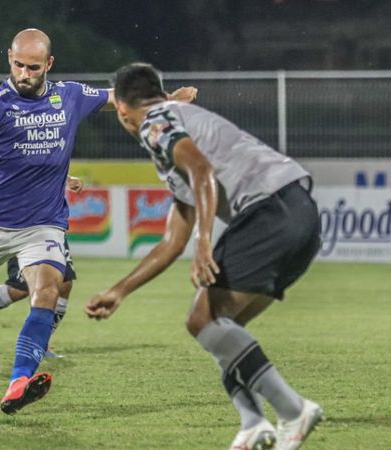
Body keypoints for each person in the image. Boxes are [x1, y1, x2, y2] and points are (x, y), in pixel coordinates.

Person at [0, 29, 198, 415]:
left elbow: (121, 100)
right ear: (9, 60)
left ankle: (18, 383)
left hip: (43, 225)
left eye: (33, 67)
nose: (24, 73)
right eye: (18, 65)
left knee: (48, 290)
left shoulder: (69, 96)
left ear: (48, 64)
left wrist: (166, 101)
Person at [84, 62, 323, 450]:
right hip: (300, 212)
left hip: (269, 209)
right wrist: (120, 290)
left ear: (123, 112)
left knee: (203, 319)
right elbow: (171, 242)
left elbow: (202, 171)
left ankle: (293, 410)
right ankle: (252, 423)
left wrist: (206, 242)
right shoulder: (175, 123)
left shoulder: (154, 124)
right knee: (216, 328)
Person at [0, 161, 84, 359]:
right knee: (20, 289)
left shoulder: (39, 139)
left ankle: (40, 342)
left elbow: (43, 170)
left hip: (46, 222)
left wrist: (66, 180)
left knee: (64, 283)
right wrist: (13, 189)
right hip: (16, 224)